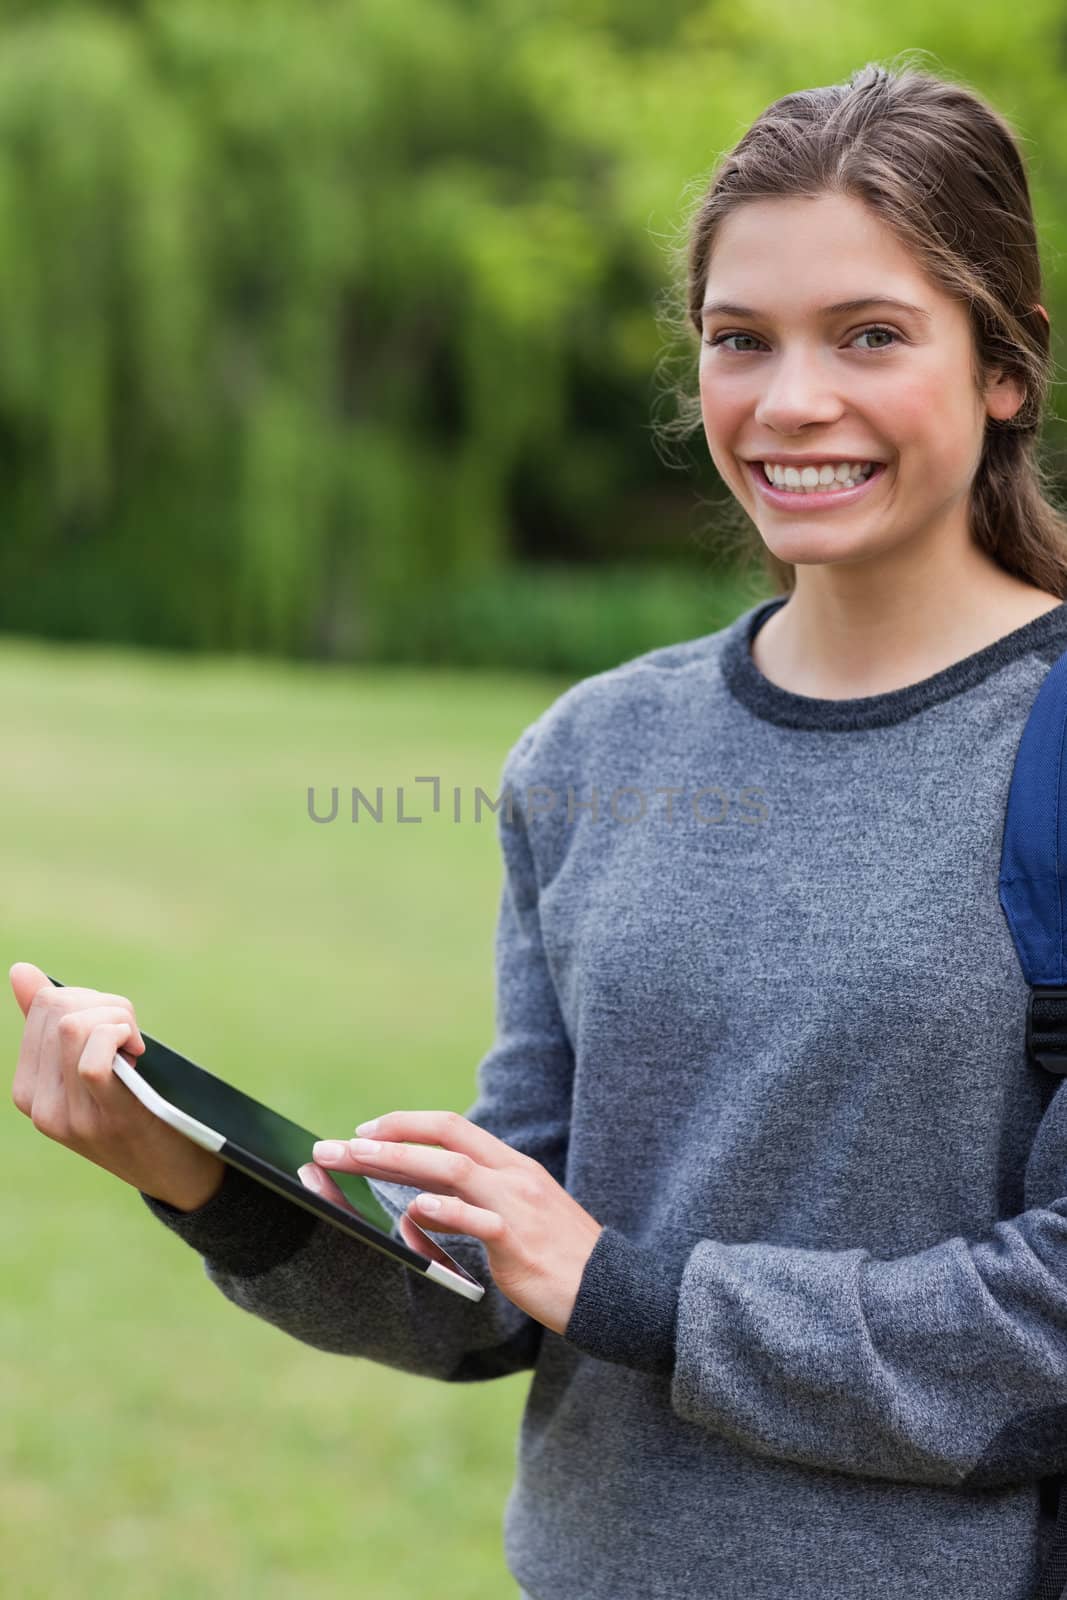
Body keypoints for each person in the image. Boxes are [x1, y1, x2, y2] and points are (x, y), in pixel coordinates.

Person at [11, 56, 1067, 1600]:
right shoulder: (592, 751)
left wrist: (631, 1288)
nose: (790, 402)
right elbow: (506, 1293)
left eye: (871, 336)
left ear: (1005, 369)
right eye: (738, 340)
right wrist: (194, 1176)